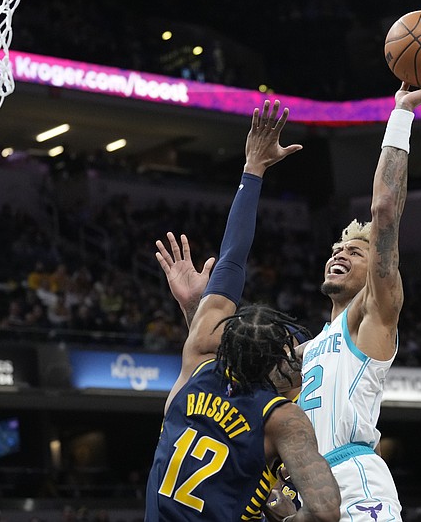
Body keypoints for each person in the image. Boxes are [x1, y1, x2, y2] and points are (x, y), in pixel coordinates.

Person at [144, 100, 340, 522]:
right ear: (277, 367)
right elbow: (325, 512)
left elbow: (231, 261)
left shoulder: (197, 364)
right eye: (293, 350)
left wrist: (253, 169)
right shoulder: (282, 418)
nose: (298, 355)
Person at [297, 73, 421, 520]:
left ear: (377, 271)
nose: (339, 253)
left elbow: (385, 211)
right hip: (308, 490)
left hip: (354, 478)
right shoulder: (310, 348)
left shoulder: (372, 316)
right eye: (336, 249)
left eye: (355, 249)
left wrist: (401, 113)